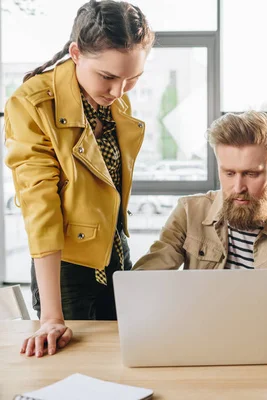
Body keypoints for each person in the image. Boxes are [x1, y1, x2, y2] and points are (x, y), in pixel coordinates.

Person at [4, 0, 154, 357]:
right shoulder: (32, 103)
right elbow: (41, 209)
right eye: (108, 77)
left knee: (125, 363)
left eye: (132, 78)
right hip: (66, 272)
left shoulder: (113, 100)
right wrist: (51, 317)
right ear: (76, 53)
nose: (118, 91)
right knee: (74, 376)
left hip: (119, 259)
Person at [133, 111, 267, 331]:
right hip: (199, 338)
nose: (238, 188)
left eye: (251, 174)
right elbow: (144, 280)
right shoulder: (189, 212)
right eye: (229, 173)